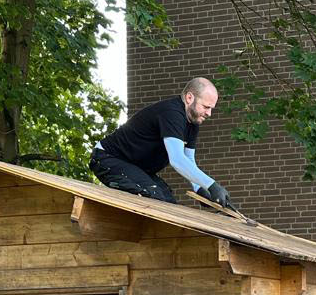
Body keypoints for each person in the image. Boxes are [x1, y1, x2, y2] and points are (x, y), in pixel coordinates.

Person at [90, 77, 233, 209]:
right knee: (154, 198)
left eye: (211, 109)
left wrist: (200, 188)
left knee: (169, 203)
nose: (209, 113)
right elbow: (177, 159)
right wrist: (212, 185)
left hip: (136, 167)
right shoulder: (171, 113)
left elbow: (188, 159)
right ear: (189, 98)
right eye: (206, 107)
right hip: (108, 159)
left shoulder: (193, 122)